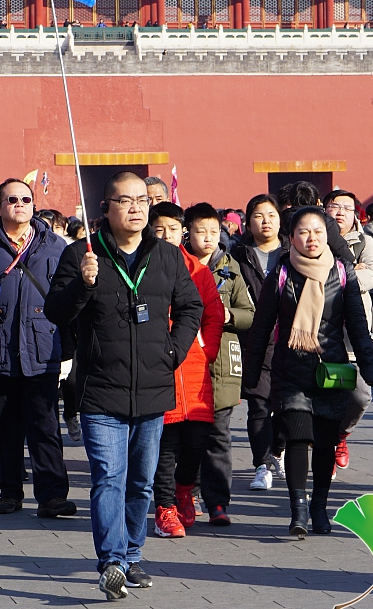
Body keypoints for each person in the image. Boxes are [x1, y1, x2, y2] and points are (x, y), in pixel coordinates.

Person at [45, 171, 203, 599]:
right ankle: (111, 562)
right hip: (100, 388)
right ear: (105, 208)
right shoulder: (82, 254)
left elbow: (192, 306)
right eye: (125, 201)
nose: (136, 208)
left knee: (141, 483)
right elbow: (55, 311)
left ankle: (133, 555)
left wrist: (173, 351)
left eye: (142, 201)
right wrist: (84, 283)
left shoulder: (168, 255)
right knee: (108, 478)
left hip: (153, 387)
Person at [244, 207, 373, 538]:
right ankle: (299, 510)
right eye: (303, 232)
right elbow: (261, 327)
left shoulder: (342, 271)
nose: (312, 238)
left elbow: (357, 324)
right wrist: (250, 375)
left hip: (332, 370)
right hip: (290, 370)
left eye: (318, 231)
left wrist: (368, 362)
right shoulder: (280, 274)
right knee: (298, 437)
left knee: (324, 444)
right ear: (291, 238)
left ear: (327, 235)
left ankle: (319, 507)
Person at [0, 179, 74, 518]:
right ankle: (10, 491)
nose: (20, 204)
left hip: (42, 347)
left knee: (45, 427)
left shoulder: (55, 245)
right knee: (4, 427)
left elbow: (67, 297)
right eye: (12, 199)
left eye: (26, 199)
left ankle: (53, 496)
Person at [148, 203, 225, 538]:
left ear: (183, 232)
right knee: (164, 445)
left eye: (173, 229)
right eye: (159, 229)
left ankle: (184, 490)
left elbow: (213, 315)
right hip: (156, 366)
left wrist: (206, 350)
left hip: (193, 367)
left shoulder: (196, 269)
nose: (166, 235)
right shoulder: (141, 264)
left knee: (196, 441)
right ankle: (164, 507)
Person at [183, 202, 255, 526]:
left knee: (219, 435)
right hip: (185, 360)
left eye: (214, 231)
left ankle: (218, 503)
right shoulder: (176, 265)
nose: (209, 238)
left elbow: (249, 313)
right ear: (189, 232)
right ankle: (187, 492)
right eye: (202, 231)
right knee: (187, 435)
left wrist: (229, 316)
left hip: (223, 361)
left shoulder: (230, 267)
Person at [323, 189, 373, 475]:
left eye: (346, 208)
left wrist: (338, 276)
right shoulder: (311, 237)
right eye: (334, 206)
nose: (339, 212)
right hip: (318, 330)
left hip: (355, 331)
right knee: (325, 391)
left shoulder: (365, 243)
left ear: (355, 214)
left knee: (360, 395)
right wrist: (349, 272)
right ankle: (320, 446)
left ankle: (340, 436)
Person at [231, 195, 288, 490]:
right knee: (259, 405)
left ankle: (277, 450)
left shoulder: (295, 251)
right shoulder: (237, 255)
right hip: (254, 340)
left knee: (288, 406)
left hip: (292, 339)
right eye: (257, 215)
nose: (265, 221)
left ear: (280, 218)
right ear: (248, 221)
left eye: (270, 214)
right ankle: (262, 464)